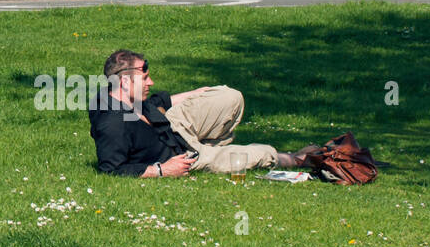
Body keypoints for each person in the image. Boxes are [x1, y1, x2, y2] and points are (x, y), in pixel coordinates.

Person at [89, 50, 320, 177]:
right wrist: (161, 170)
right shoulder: (112, 124)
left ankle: (213, 140)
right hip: (182, 154)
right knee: (255, 155)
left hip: (172, 126)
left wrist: (197, 93)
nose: (151, 82)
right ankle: (296, 158)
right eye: (145, 78)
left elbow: (160, 101)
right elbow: (111, 169)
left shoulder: (128, 96)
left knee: (228, 96)